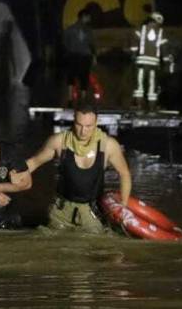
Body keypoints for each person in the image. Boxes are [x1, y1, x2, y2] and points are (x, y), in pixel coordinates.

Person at [25, 97, 132, 232]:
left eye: (88, 126)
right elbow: (34, 162)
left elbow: (124, 173)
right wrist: (6, 176)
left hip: (92, 213)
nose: (83, 131)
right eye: (79, 125)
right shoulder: (59, 142)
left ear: (96, 122)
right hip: (61, 212)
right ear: (73, 120)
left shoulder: (109, 146)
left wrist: (123, 205)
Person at [130, 12, 168, 110]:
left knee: (139, 86)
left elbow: (134, 44)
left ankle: (139, 106)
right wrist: (166, 62)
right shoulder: (161, 32)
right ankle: (152, 108)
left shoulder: (140, 30)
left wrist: (134, 56)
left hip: (141, 63)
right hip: (153, 65)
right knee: (152, 86)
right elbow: (164, 49)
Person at [61, 8, 98, 105]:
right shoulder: (88, 30)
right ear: (84, 17)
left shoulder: (69, 29)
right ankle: (83, 98)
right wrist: (94, 56)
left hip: (72, 55)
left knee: (71, 77)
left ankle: (70, 98)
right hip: (85, 56)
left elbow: (65, 42)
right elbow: (91, 44)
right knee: (84, 77)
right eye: (88, 17)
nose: (90, 19)